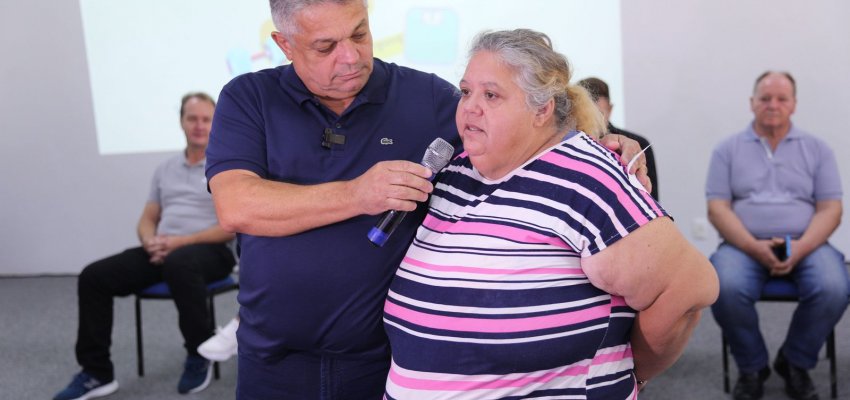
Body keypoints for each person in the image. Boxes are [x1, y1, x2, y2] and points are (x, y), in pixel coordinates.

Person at [205, 1, 651, 398]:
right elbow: (237, 205)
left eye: (359, 33)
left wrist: (604, 141)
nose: (351, 56)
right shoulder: (249, 98)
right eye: (325, 47)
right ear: (284, 44)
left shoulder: (427, 97)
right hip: (273, 361)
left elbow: (527, 133)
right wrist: (359, 194)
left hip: (387, 361)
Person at [382, 28, 718, 400]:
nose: (469, 107)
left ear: (541, 109)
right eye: (465, 92)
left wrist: (627, 376)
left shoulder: (587, 177)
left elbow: (688, 289)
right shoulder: (458, 169)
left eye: (491, 95)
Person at [54, 92, 237, 400]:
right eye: (192, 118)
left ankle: (198, 353)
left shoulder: (227, 166)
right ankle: (97, 373)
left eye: (206, 119)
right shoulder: (165, 169)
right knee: (93, 276)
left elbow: (230, 226)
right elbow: (148, 218)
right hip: (164, 250)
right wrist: (149, 241)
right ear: (181, 122)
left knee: (181, 262)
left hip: (210, 250)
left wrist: (182, 242)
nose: (199, 125)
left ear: (216, 123)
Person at [706, 71, 849, 400]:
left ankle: (794, 362)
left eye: (781, 98)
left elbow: (831, 209)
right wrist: (752, 246)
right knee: (722, 286)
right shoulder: (726, 150)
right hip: (743, 245)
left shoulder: (818, 149)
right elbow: (718, 209)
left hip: (807, 244)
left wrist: (800, 248)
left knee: (834, 287)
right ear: (751, 103)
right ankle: (752, 367)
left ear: (794, 105)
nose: (773, 105)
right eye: (765, 98)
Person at [579, 76, 659, 199]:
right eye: (587, 114)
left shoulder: (637, 144)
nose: (592, 121)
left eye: (599, 114)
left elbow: (652, 199)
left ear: (610, 109)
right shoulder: (566, 144)